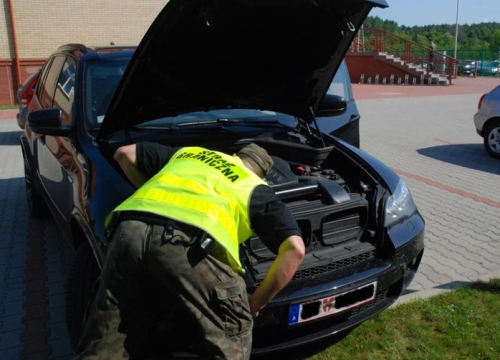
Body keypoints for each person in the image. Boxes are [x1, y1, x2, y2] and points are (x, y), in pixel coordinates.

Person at [74, 141, 305, 359]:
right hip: (188, 246)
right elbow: (295, 249)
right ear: (261, 175)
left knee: (108, 326)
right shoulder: (254, 186)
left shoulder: (190, 153)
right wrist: (256, 303)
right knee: (233, 329)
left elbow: (124, 153)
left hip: (129, 229)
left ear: (234, 156)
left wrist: (156, 199)